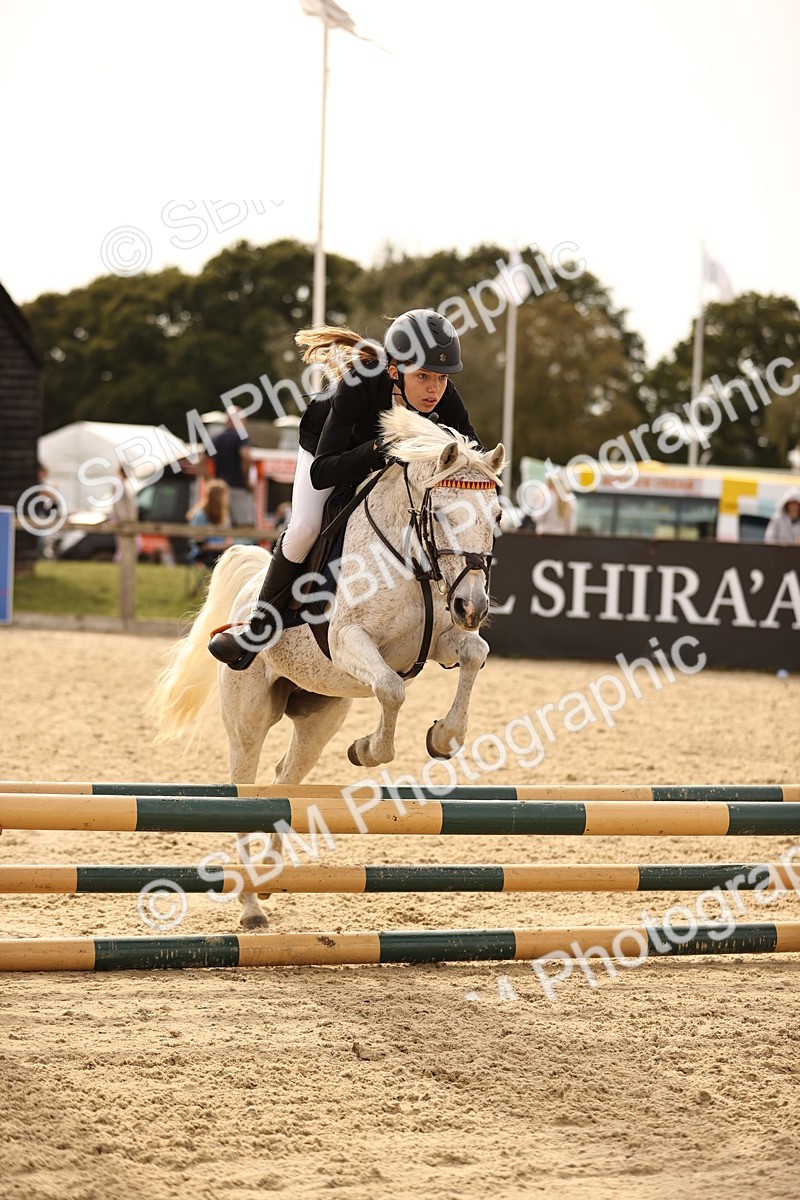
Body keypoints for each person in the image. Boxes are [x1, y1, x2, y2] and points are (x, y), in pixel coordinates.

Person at [208, 308, 482, 670]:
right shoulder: (358, 385)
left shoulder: (444, 396)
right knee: (306, 526)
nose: (434, 389)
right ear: (395, 370)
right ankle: (258, 627)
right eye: (424, 377)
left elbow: (471, 459)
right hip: (329, 451)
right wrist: (378, 449)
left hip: (384, 461)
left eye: (442, 378)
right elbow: (323, 471)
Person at [208, 407, 255, 526]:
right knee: (244, 525)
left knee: (222, 524)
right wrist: (247, 481)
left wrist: (213, 482)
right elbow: (245, 456)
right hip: (238, 487)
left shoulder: (216, 438)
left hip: (220, 490)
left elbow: (200, 464)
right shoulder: (241, 437)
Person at [186, 479, 232, 567]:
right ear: (217, 497)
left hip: (221, 551)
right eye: (225, 495)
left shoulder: (225, 516)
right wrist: (219, 546)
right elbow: (199, 542)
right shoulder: (201, 515)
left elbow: (229, 539)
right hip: (205, 553)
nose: (227, 498)